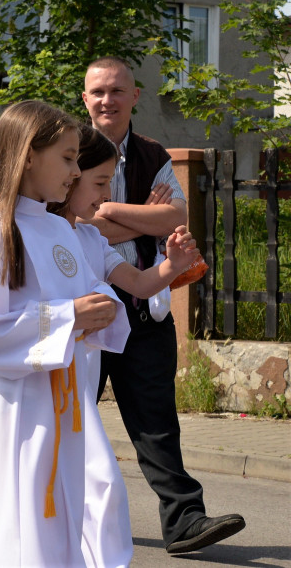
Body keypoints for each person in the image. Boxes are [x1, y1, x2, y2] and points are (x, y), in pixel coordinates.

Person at [0, 101, 124, 567]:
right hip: (22, 406)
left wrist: (101, 308)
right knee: (22, 517)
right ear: (26, 156)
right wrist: (68, 318)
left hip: (67, 404)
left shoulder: (59, 229)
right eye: (66, 158)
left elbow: (86, 295)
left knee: (62, 513)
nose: (75, 170)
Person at [82, 56, 246, 554]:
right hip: (82, 313)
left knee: (157, 421)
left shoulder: (153, 154)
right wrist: (140, 217)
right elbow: (78, 226)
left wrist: (108, 211)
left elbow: (176, 214)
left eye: (116, 91)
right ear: (84, 98)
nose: (107, 100)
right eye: (97, 92)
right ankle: (49, 512)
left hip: (141, 304)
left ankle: (184, 521)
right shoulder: (70, 152)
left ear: (135, 96)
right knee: (68, 421)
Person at [50, 124, 200, 567]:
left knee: (100, 484)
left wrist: (172, 265)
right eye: (98, 184)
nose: (103, 195)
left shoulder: (90, 238)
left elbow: (136, 280)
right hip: (48, 383)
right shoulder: (30, 232)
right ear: (70, 176)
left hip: (80, 378)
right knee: (68, 482)